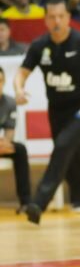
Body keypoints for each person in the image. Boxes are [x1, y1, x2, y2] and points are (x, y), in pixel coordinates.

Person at [15, 0, 80, 224]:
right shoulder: (40, 46)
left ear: (68, 18)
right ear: (45, 20)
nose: (57, 21)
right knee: (71, 161)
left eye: (61, 16)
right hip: (56, 111)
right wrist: (19, 89)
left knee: (63, 146)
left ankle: (38, 203)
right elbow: (22, 72)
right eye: (52, 17)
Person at [0, 66, 31, 211]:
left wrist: (5, 143)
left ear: (4, 82)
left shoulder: (10, 102)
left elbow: (9, 132)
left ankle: (26, 202)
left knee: (19, 149)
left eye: (0, 81)